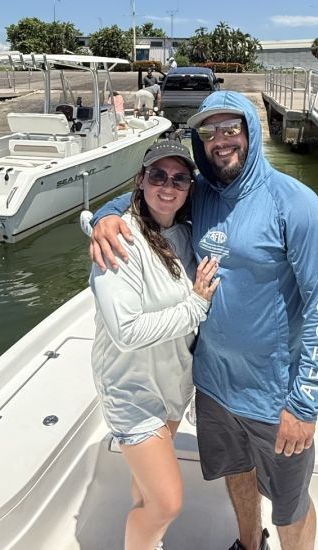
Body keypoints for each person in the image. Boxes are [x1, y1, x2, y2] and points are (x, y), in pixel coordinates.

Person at [88, 92, 318, 550]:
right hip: (213, 388)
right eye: (209, 131)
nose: (221, 140)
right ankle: (249, 545)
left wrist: (305, 404)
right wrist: (105, 218)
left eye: (231, 128)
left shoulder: (295, 204)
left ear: (251, 131)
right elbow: (150, 198)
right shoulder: (199, 194)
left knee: (290, 502)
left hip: (274, 394)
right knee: (237, 478)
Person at [89, 139, 220, 550]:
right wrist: (197, 305)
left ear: (190, 188)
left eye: (180, 178)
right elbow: (126, 331)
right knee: (166, 503)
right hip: (131, 391)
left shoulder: (183, 234)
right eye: (158, 175)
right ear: (141, 179)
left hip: (170, 385)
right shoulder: (120, 241)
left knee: (147, 492)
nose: (169, 186)